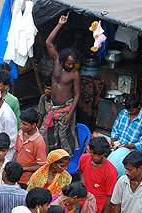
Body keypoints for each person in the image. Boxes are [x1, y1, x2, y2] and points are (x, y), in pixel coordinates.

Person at [44, 14, 80, 154]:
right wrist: (60, 24)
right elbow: (48, 42)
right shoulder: (58, 62)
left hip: (66, 108)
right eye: (69, 63)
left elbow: (77, 94)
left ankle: (66, 165)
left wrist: (71, 114)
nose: (71, 65)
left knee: (65, 139)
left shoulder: (74, 73)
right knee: (51, 137)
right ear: (63, 60)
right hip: (53, 107)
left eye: (73, 63)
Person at [14, 107, 47, 187]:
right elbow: (17, 151)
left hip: (29, 181)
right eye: (21, 123)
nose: (21, 126)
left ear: (33, 125)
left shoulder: (39, 142)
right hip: (17, 178)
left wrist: (22, 169)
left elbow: (41, 165)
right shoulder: (20, 133)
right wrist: (14, 164)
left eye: (24, 124)